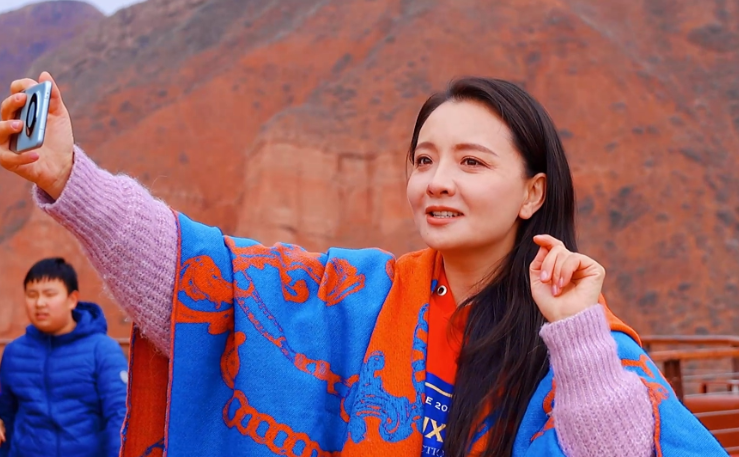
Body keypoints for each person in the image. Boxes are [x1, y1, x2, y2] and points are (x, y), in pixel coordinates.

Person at [0, 72, 728, 457]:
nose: (437, 181)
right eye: (424, 160)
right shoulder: (361, 296)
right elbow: (204, 281)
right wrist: (70, 179)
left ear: (532, 192)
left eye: (471, 162)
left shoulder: (583, 333)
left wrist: (574, 336)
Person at [0, 257, 128, 457]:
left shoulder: (102, 350)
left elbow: (119, 416)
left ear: (72, 299)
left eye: (49, 294)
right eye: (32, 295)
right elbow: (6, 418)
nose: (39, 303)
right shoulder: (14, 353)